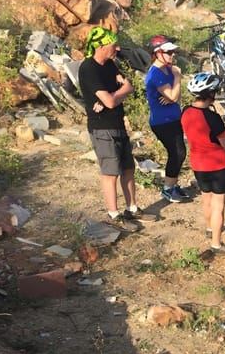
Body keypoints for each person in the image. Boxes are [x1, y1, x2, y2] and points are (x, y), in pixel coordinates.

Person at [78, 26, 150, 226]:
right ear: (100, 46)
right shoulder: (88, 68)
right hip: (102, 128)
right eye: (113, 45)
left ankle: (132, 208)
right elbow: (111, 99)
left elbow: (127, 86)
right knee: (110, 172)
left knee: (128, 168)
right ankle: (113, 213)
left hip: (118, 122)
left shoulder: (110, 65)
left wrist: (115, 96)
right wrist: (116, 95)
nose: (117, 49)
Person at [180, 72, 225, 254]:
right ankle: (217, 244)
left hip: (198, 164)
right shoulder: (213, 118)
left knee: (206, 198)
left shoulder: (185, 111)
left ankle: (210, 228)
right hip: (218, 165)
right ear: (211, 93)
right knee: (219, 205)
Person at [144, 35, 188, 203]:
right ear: (158, 53)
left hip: (173, 117)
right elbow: (173, 95)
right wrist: (177, 77)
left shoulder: (168, 68)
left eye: (172, 52)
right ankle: (167, 189)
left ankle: (173, 184)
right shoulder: (156, 74)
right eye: (168, 52)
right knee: (177, 153)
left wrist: (173, 95)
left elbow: (177, 96)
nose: (172, 55)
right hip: (162, 122)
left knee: (179, 153)